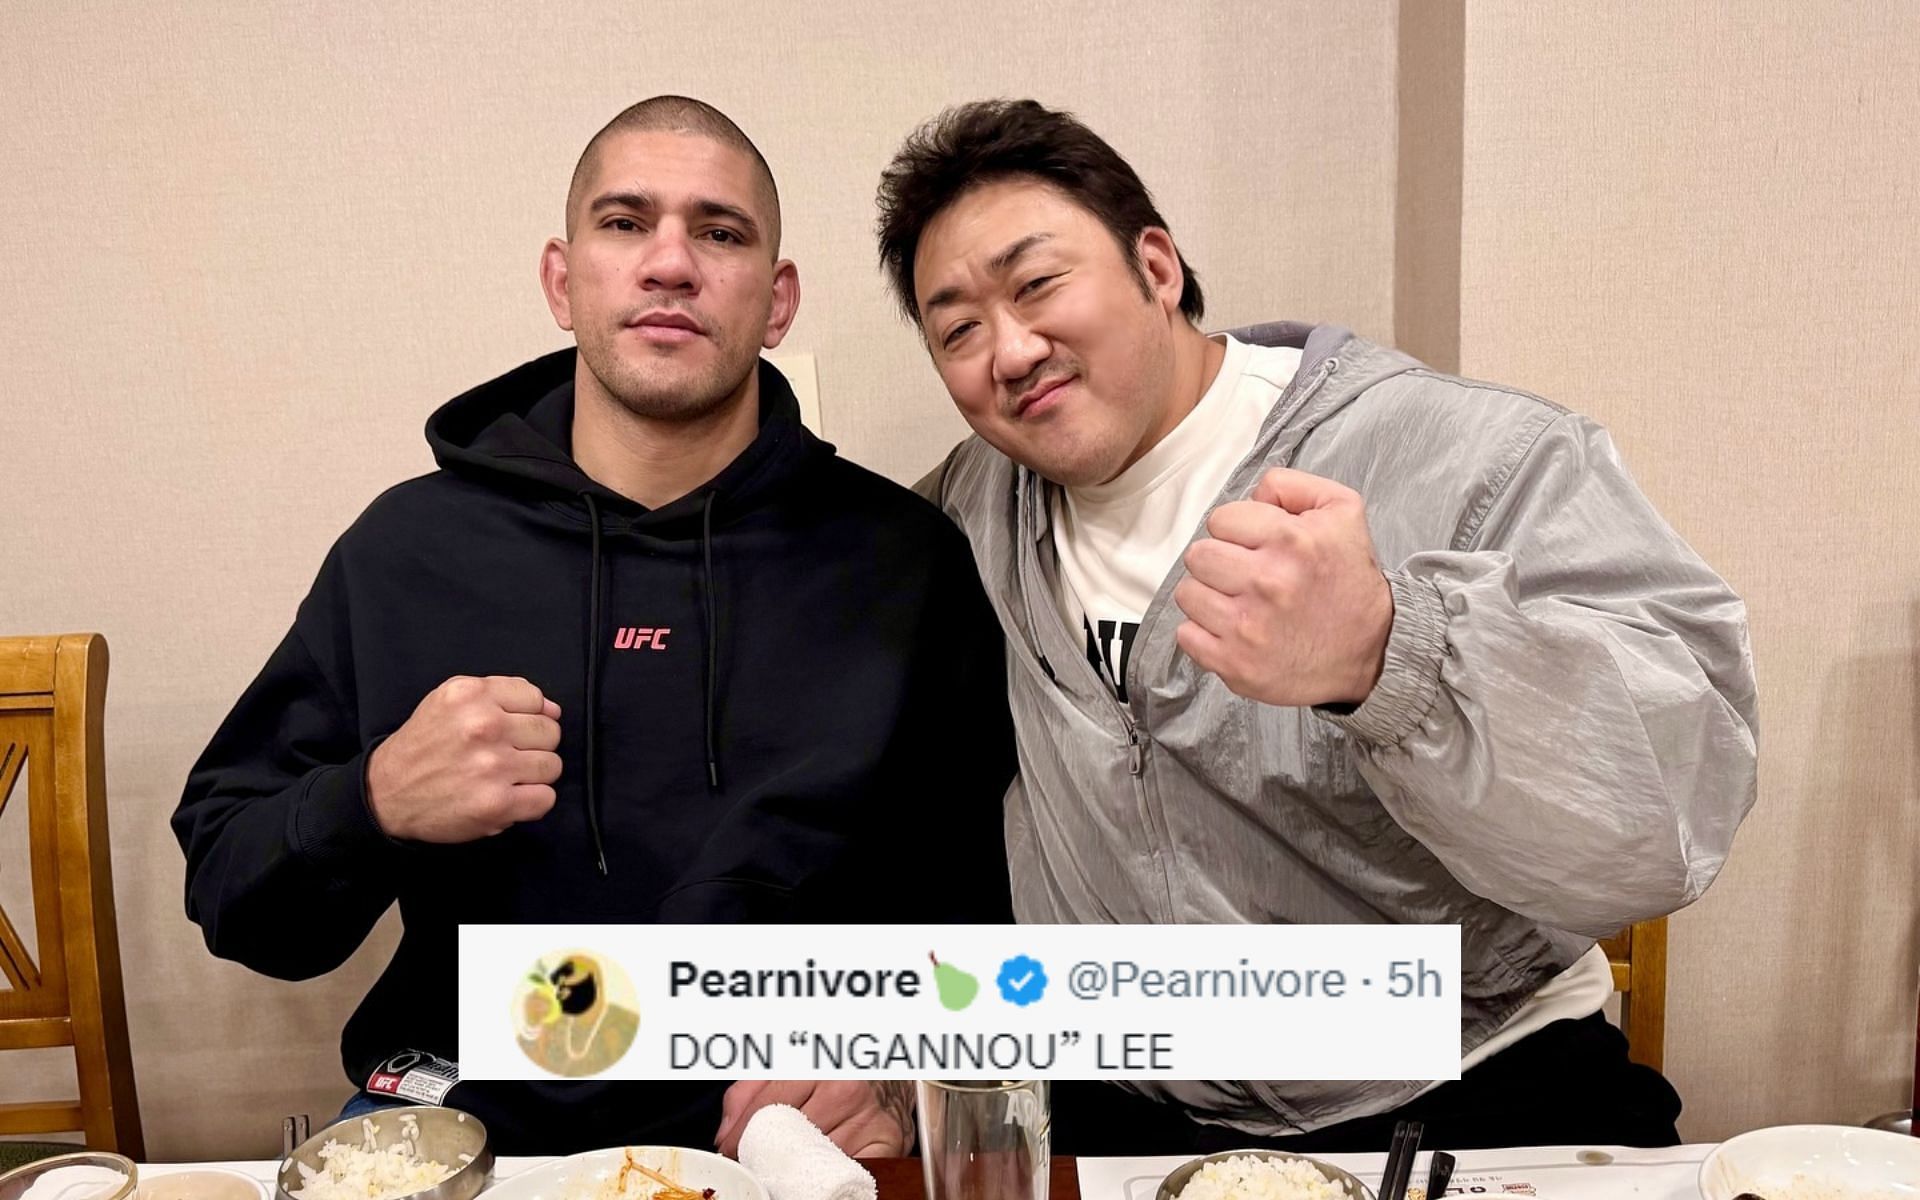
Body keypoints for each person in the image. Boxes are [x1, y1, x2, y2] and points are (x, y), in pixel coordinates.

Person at [876, 98, 1759, 1152]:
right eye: (960, 329)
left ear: (1156, 267)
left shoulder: (1471, 457)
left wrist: (1394, 653)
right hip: (1131, 1114)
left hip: (1470, 1089)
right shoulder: (970, 514)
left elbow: (1663, 829)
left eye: (1038, 285)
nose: (1011, 351)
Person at [173, 95, 1013, 1158]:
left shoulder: (904, 562)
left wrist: (900, 1075)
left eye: (720, 232)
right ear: (564, 282)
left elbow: (978, 919)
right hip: (464, 1126)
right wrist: (373, 796)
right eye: (625, 224)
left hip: (787, 1142)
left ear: (778, 299)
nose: (671, 264)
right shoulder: (407, 552)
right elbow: (239, 906)